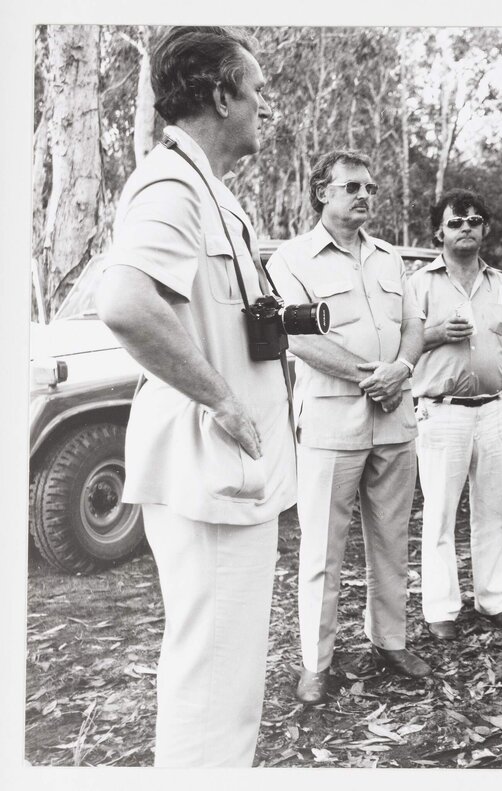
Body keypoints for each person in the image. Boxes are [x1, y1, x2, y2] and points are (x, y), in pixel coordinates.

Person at [96, 27, 295, 766]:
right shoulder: (171, 182)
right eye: (258, 90)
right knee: (212, 689)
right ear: (220, 94)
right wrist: (222, 399)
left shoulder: (211, 192)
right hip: (210, 469)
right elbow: (124, 301)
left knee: (225, 683)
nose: (265, 106)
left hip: (230, 474)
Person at [266, 150, 430, 706]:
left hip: (394, 420)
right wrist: (372, 377)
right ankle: (316, 662)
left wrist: (402, 370)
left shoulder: (389, 259)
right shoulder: (291, 260)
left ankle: (390, 641)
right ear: (322, 192)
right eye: (352, 186)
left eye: (371, 187)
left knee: (391, 539)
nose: (364, 195)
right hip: (333, 422)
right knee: (322, 548)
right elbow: (297, 337)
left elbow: (413, 324)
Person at [407, 188, 502, 640]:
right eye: (456, 222)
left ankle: (493, 600)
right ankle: (441, 609)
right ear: (438, 231)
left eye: (474, 221)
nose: (466, 228)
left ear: (485, 229)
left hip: (494, 410)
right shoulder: (420, 283)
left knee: (493, 510)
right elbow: (398, 345)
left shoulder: (499, 284)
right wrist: (436, 332)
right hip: (442, 411)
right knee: (441, 511)